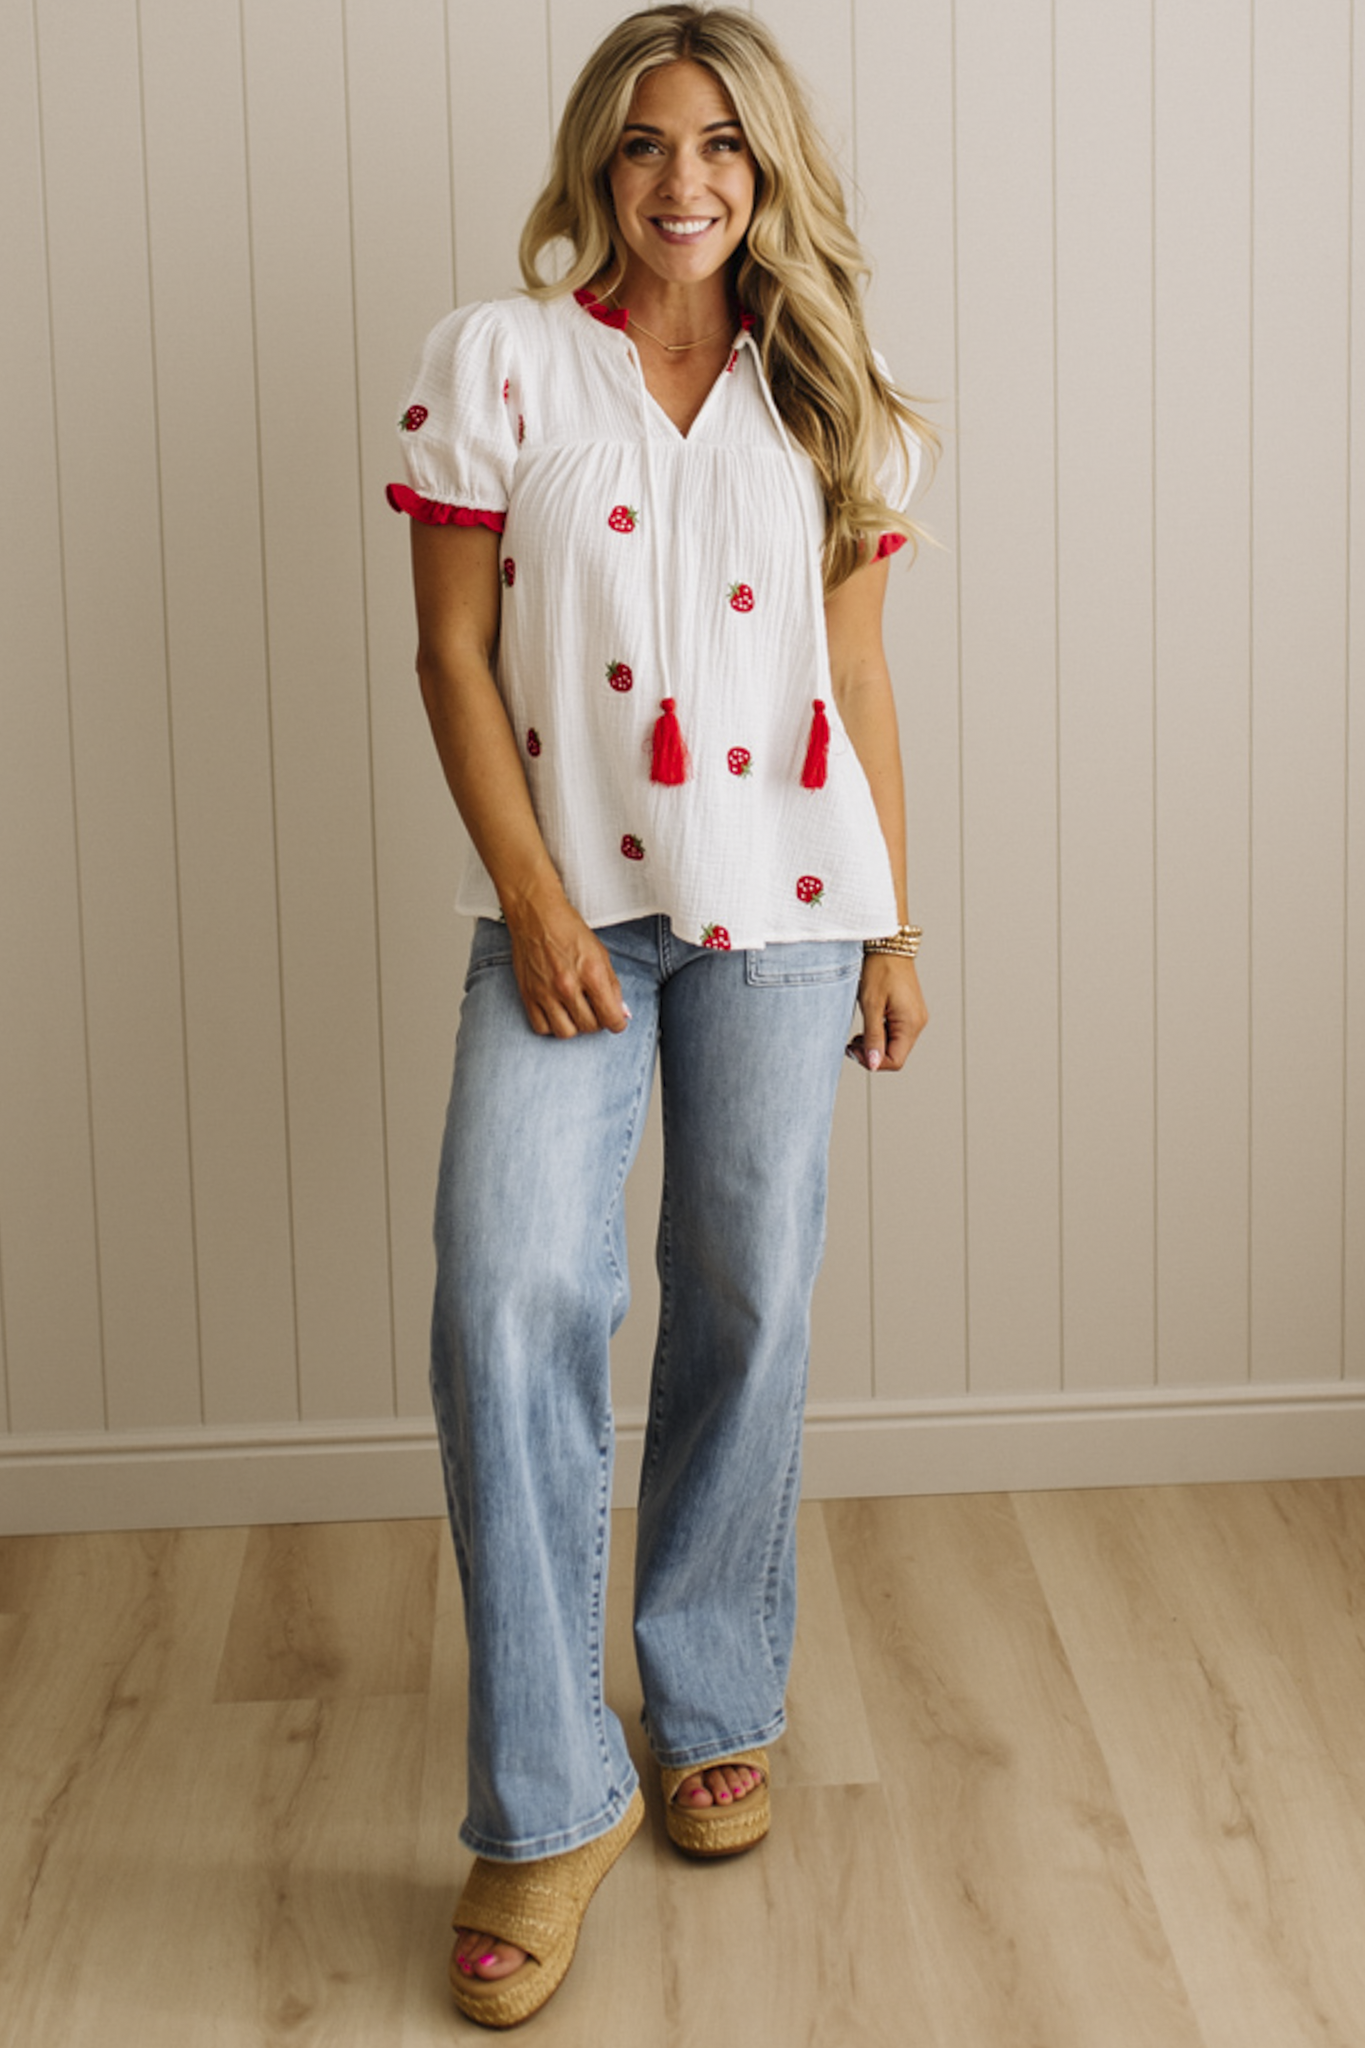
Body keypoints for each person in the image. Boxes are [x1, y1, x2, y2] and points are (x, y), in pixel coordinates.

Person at [387, 3, 932, 2026]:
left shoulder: (831, 396)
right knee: (506, 1291)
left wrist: (892, 924)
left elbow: (857, 686)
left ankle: (711, 1689)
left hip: (793, 917)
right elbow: (450, 656)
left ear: (765, 164)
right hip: (572, 915)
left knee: (745, 1295)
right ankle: (545, 1799)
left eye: (718, 143)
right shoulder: (502, 362)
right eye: (642, 146)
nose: (682, 178)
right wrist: (533, 895)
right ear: (593, 167)